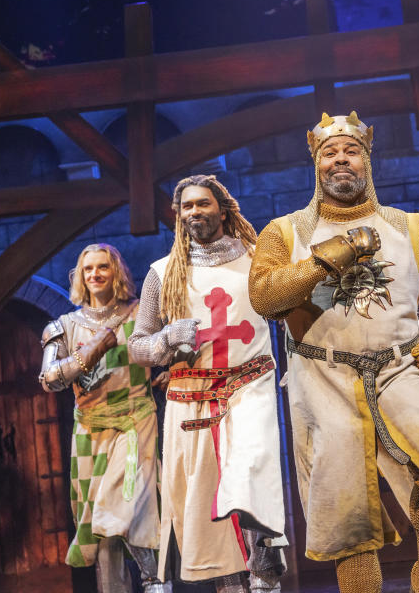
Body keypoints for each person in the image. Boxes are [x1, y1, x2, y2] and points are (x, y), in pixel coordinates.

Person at [248, 112, 419, 593]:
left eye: (350, 150)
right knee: (345, 507)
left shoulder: (408, 228)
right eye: (329, 153)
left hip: (398, 369)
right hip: (322, 377)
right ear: (316, 163)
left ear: (366, 159)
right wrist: (324, 258)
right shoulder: (285, 232)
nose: (340, 160)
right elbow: (265, 297)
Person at [127, 175, 286, 593]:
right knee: (208, 519)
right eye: (187, 207)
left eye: (203, 204)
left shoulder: (257, 259)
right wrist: (165, 339)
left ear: (223, 208)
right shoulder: (162, 274)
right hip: (190, 402)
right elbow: (137, 347)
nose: (195, 212)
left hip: (247, 390)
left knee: (251, 484)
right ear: (178, 216)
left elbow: (291, 311)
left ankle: (266, 575)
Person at [39, 243, 168, 593]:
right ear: (80, 277)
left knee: (124, 509)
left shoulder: (140, 314)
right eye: (88, 269)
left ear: (117, 273)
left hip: (134, 423)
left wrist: (174, 370)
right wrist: (93, 350)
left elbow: (171, 345)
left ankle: (156, 582)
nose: (95, 274)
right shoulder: (64, 327)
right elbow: (49, 379)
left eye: (102, 268)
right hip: (89, 432)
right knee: (101, 531)